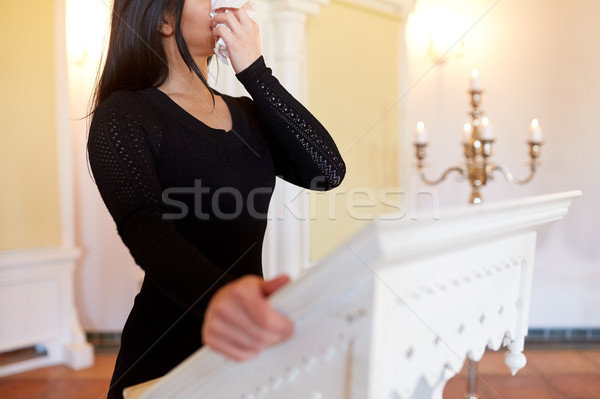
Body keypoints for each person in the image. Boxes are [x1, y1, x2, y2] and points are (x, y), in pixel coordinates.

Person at [87, 0, 346, 397]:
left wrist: (256, 72)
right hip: (165, 354)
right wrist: (222, 299)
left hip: (248, 350)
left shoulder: (247, 114)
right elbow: (146, 228)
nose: (230, 2)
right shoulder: (124, 114)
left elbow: (328, 171)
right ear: (166, 20)